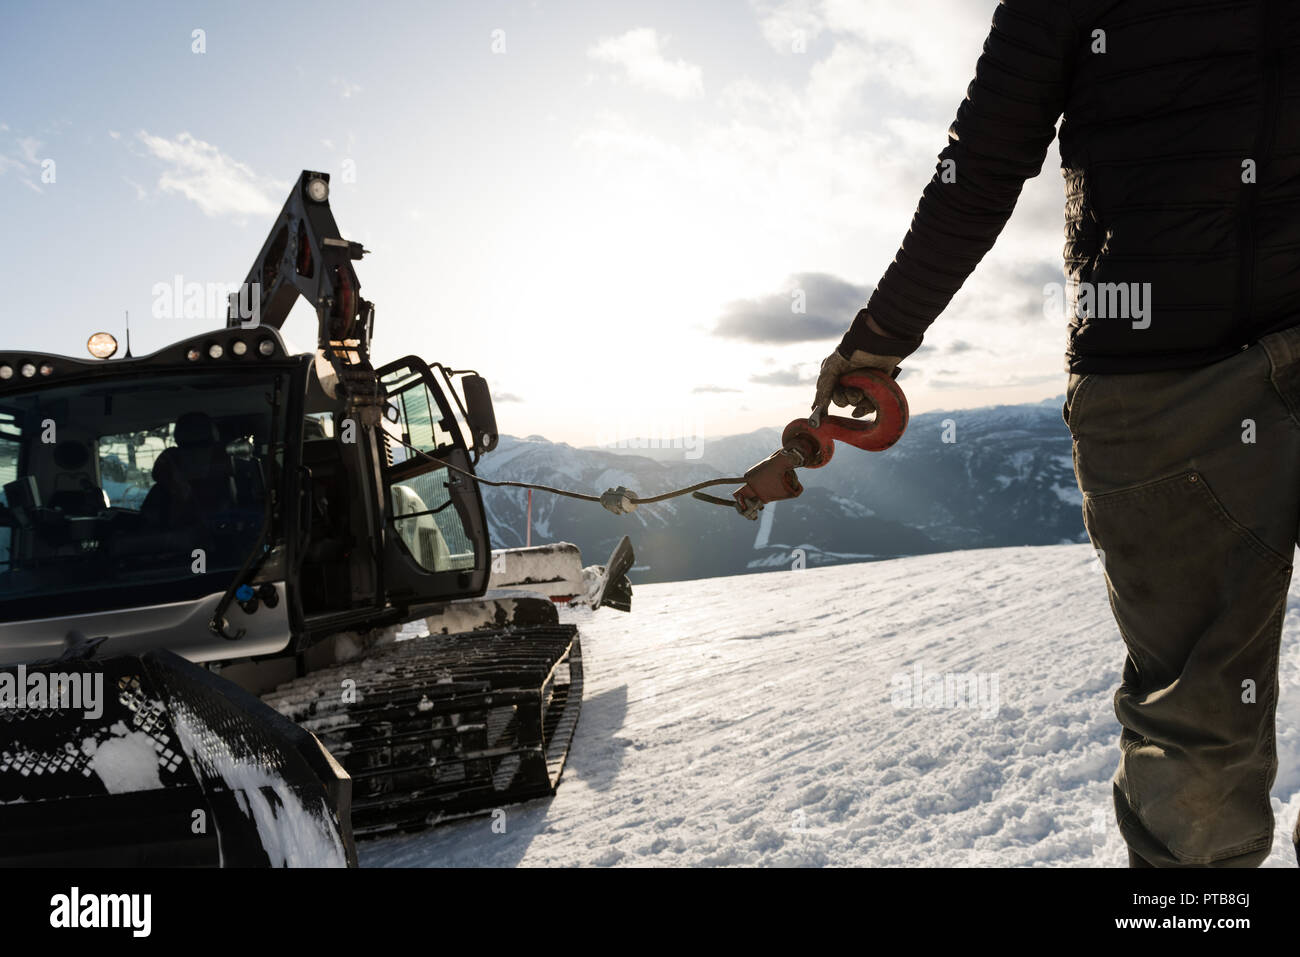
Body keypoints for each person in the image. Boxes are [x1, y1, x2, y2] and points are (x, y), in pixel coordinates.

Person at [812, 0, 1300, 868]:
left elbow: (984, 162)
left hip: (1159, 376)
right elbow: (984, 165)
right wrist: (882, 336)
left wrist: (881, 340)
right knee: (1194, 726)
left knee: (1197, 729)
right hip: (1166, 378)